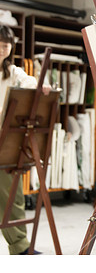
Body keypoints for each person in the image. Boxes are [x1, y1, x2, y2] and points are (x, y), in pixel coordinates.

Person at [0, 24, 50, 255]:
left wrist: (43, 87)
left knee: (13, 193)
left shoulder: (12, 73)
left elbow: (31, 83)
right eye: (0, 44)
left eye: (7, 45)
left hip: (4, 141)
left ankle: (20, 247)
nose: (3, 49)